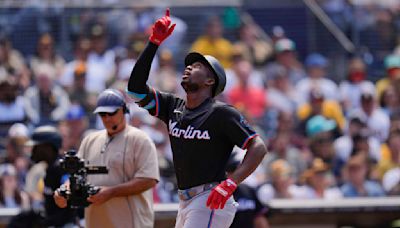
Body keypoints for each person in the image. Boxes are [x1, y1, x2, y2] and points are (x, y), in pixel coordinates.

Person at [127, 9, 267, 228]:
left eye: (198, 65)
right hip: (185, 201)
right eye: (189, 64)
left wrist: (230, 184)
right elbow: (135, 90)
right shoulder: (173, 106)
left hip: (210, 197)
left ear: (210, 81)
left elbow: (258, 147)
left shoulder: (221, 112)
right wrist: (153, 42)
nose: (189, 67)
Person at [54, 88, 160, 228]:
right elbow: (76, 173)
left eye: (112, 113)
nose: (107, 118)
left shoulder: (140, 139)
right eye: (103, 114)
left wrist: (111, 192)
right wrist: (64, 191)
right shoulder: (90, 140)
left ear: (124, 110)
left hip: (131, 223)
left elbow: (149, 180)